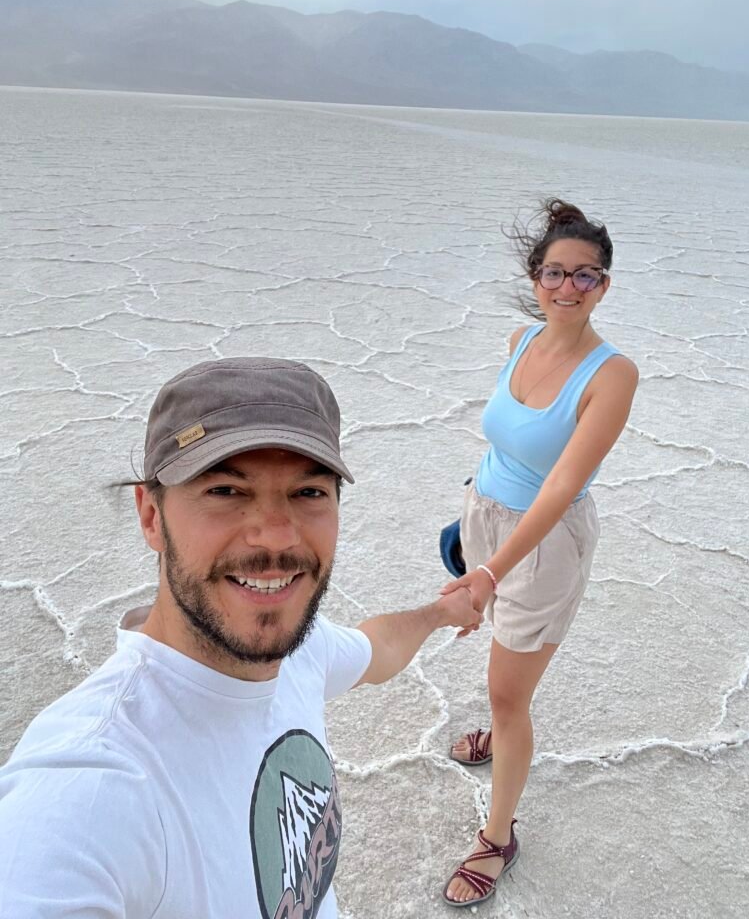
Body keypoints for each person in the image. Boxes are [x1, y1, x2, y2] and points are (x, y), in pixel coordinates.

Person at [0, 356, 481, 919]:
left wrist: (442, 612)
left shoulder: (302, 648)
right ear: (151, 516)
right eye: (226, 490)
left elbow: (375, 649)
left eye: (308, 492)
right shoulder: (91, 789)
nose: (275, 536)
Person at [441, 200, 639, 907]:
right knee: (502, 655)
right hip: (486, 518)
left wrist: (492, 570)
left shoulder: (613, 375)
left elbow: (559, 485)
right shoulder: (519, 340)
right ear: (535, 279)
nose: (568, 287)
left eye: (585, 275)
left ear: (604, 286)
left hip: (545, 542)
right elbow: (507, 441)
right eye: (555, 272)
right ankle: (502, 735)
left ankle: (498, 838)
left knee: (507, 691)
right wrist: (474, 527)